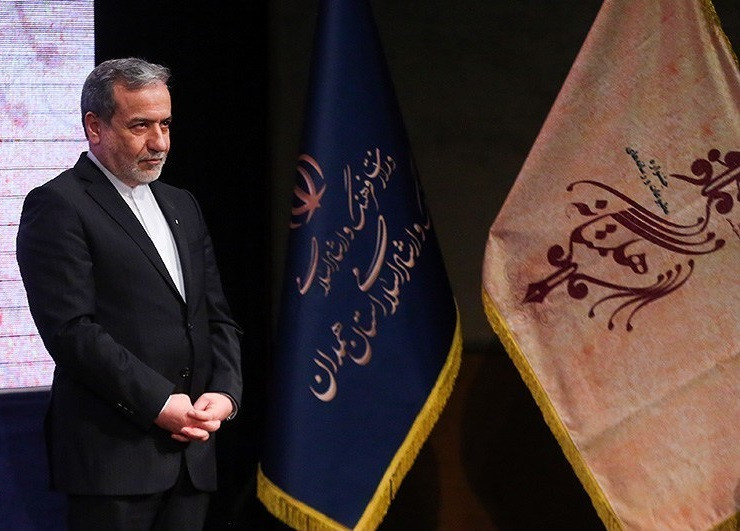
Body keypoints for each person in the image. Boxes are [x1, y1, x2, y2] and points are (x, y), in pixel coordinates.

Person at [16, 57, 243, 530]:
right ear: (94, 127)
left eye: (165, 124)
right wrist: (160, 403)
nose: (159, 142)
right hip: (113, 461)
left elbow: (214, 314)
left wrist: (225, 392)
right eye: (141, 126)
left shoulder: (182, 203)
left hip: (193, 455)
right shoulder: (57, 205)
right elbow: (71, 331)